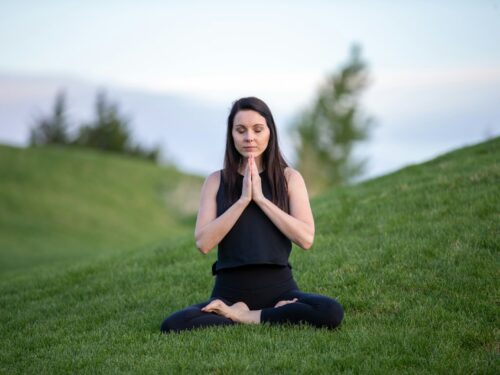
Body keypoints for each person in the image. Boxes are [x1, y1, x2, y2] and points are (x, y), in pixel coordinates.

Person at [160, 97, 344, 333]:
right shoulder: (215, 181)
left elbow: (306, 239)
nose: (249, 137)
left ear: (270, 132)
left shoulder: (290, 179)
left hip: (280, 291)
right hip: (228, 293)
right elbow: (203, 243)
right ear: (231, 135)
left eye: (258, 129)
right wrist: (244, 199)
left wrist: (261, 199)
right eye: (241, 130)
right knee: (173, 324)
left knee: (330, 311)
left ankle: (245, 316)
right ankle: (256, 313)